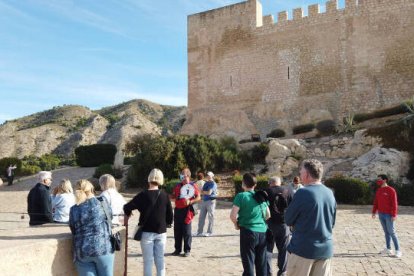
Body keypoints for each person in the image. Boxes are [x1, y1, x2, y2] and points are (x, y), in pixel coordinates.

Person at [285, 159, 336, 276]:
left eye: (301, 172)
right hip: (325, 250)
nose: (300, 175)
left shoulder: (303, 193)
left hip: (303, 249)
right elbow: (332, 223)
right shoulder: (329, 192)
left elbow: (288, 219)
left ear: (307, 174)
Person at [124, 168, 173, 276]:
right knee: (160, 260)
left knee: (148, 261)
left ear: (149, 179)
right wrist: (168, 223)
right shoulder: (164, 195)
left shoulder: (142, 195)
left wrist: (128, 214)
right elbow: (170, 214)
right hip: (161, 231)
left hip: (146, 231)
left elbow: (127, 206)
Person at [69, 179, 114, 276]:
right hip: (104, 248)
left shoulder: (74, 209)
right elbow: (110, 217)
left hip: (82, 251)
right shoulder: (102, 202)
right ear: (91, 189)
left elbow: (73, 229)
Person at [230, 173, 270, 276]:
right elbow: (268, 215)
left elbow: (233, 216)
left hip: (248, 231)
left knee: (249, 262)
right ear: (255, 185)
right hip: (262, 232)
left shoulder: (241, 196)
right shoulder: (261, 195)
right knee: (262, 263)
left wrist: (236, 225)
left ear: (243, 184)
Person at [265, 176, 291, 276]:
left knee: (267, 249)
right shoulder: (288, 190)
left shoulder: (264, 191)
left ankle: (268, 272)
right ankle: (282, 271)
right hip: (284, 223)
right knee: (283, 249)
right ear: (280, 183)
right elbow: (293, 206)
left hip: (268, 223)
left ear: (270, 183)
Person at [171, 167, 201, 257]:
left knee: (187, 231)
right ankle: (177, 249)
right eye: (181, 174)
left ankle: (187, 250)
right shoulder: (177, 186)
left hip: (187, 211)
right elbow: (173, 196)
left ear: (188, 175)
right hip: (178, 210)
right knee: (177, 230)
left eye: (183, 174)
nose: (182, 176)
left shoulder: (193, 186)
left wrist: (191, 201)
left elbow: (199, 197)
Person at [372, 174, 402, 258]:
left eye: (379, 179)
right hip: (381, 214)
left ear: (385, 180)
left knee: (392, 232)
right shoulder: (379, 190)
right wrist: (374, 212)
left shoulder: (391, 190)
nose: (378, 181)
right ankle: (388, 249)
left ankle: (398, 250)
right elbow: (376, 202)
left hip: (389, 215)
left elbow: (394, 203)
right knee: (386, 232)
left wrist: (394, 215)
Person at [196, 171, 218, 237]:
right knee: (201, 217)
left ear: (212, 176)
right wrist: (204, 192)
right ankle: (199, 232)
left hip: (211, 201)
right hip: (204, 201)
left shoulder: (213, 184)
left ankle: (209, 232)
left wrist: (203, 192)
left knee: (211, 217)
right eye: (207, 175)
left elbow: (209, 193)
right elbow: (201, 191)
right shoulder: (206, 183)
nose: (208, 176)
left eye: (209, 175)